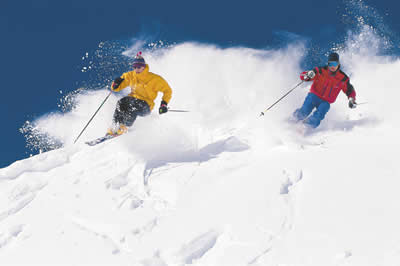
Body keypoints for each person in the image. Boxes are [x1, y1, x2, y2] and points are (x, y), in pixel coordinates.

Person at [107, 52, 172, 136]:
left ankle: (125, 126)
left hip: (146, 105)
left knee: (133, 105)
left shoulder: (155, 79)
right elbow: (115, 88)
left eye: (139, 67)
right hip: (132, 99)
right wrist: (115, 83)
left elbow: (168, 91)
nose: (136, 69)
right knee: (121, 102)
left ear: (144, 67)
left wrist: (164, 104)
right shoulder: (130, 76)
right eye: (134, 67)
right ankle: (114, 126)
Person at [293, 52, 357, 129]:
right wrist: (308, 75)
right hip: (314, 96)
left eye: (335, 64)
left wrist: (351, 99)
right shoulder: (320, 71)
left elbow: (349, 90)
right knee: (305, 110)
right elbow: (303, 76)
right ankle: (294, 120)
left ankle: (307, 126)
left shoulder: (343, 78)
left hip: (325, 101)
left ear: (338, 64)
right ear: (328, 64)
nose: (332, 66)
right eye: (330, 64)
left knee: (323, 109)